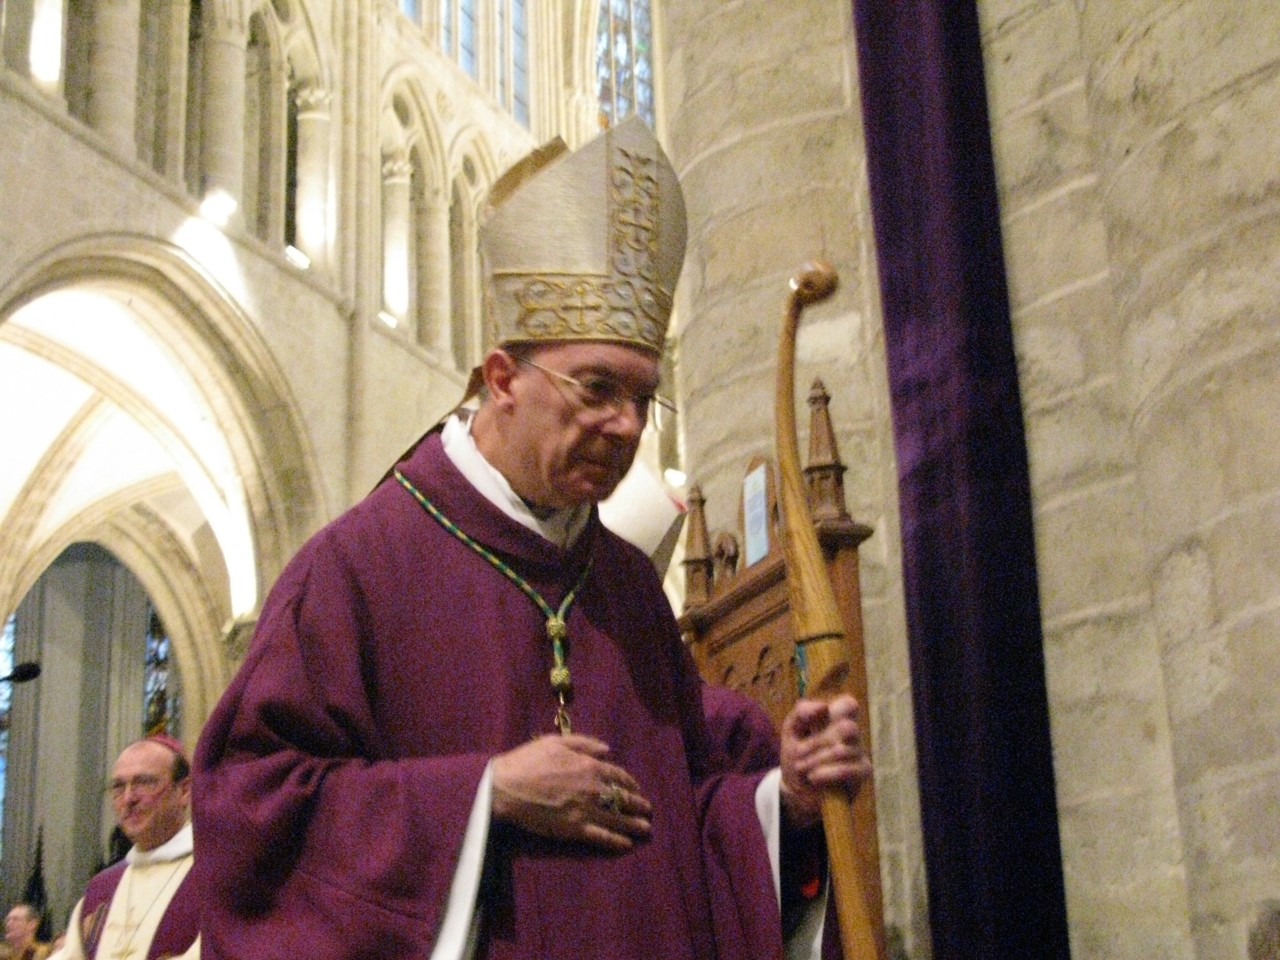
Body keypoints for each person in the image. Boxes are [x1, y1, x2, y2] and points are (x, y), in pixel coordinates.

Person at [192, 116, 871, 960]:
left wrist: (787, 804)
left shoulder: (624, 586)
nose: (625, 426)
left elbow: (687, 821)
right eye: (596, 388)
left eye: (642, 397)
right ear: (503, 379)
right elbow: (253, 809)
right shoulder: (357, 567)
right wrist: (483, 794)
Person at [55, 735, 199, 960]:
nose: (129, 798)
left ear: (184, 791)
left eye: (145, 782)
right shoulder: (101, 889)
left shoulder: (218, 877)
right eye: (118, 787)